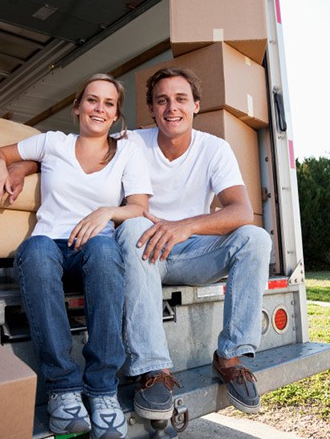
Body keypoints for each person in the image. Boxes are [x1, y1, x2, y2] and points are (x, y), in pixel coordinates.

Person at [0, 74, 152, 439]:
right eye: (92, 100)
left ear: (117, 114)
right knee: (36, 250)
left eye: (108, 103)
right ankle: (63, 390)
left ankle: (103, 391)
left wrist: (106, 212)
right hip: (51, 243)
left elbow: (138, 207)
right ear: (77, 107)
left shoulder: (128, 152)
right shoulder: (53, 142)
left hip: (95, 246)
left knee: (106, 251)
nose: (99, 109)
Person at [115, 66, 272, 420]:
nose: (172, 108)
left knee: (255, 238)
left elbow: (242, 211)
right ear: (152, 110)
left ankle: (229, 358)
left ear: (196, 105)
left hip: (192, 254)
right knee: (130, 225)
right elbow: (77, 155)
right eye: (162, 101)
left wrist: (184, 226)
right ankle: (154, 370)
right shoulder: (131, 142)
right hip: (143, 253)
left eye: (181, 99)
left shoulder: (214, 148)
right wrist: (15, 165)